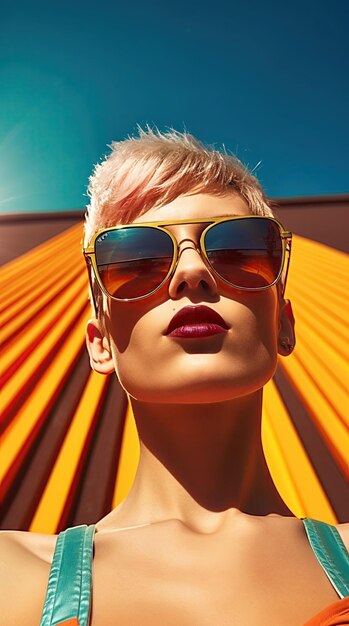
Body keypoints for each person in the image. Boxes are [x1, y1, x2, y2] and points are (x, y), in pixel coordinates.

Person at [1, 128, 348, 626]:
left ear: (284, 325)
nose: (192, 272)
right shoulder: (13, 574)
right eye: (136, 259)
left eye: (236, 249)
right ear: (100, 343)